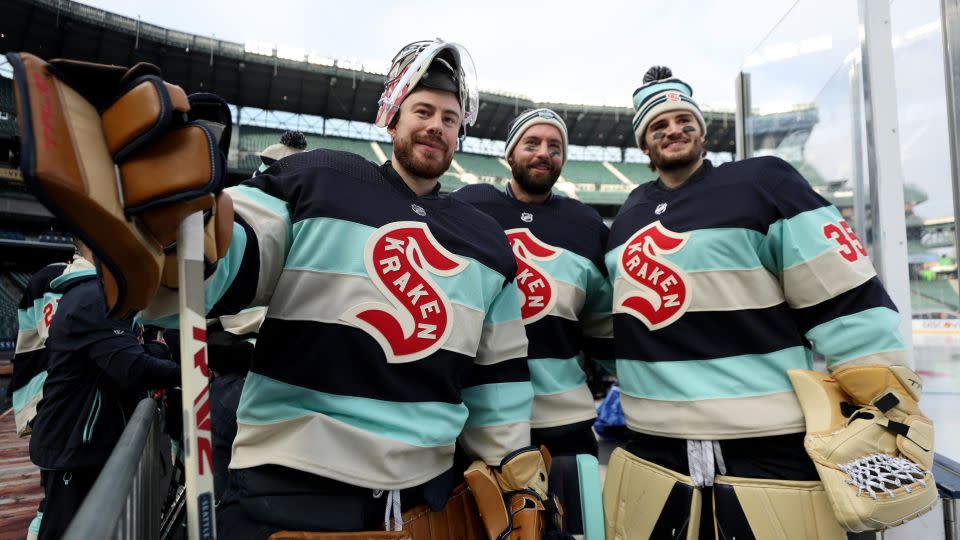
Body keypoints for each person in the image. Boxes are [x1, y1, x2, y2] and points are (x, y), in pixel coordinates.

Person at [130, 39, 560, 538]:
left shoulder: (487, 240)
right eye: (422, 110)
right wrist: (175, 231)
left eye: (449, 117)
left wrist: (519, 486)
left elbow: (498, 388)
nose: (435, 126)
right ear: (392, 117)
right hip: (289, 489)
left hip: (424, 503)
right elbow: (229, 259)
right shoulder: (317, 178)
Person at [602, 66, 923, 539]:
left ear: (703, 131)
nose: (674, 129)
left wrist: (887, 403)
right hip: (655, 444)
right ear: (644, 146)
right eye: (658, 125)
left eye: (684, 120)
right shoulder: (626, 214)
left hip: (764, 442)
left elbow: (844, 293)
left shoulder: (761, 182)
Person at [450, 108, 613, 533]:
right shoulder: (467, 206)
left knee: (572, 530)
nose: (544, 154)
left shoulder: (585, 224)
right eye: (532, 143)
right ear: (509, 154)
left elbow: (602, 326)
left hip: (563, 424)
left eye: (554, 147)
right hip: (476, 424)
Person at [27, 241, 180, 539]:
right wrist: (194, 373)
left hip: (82, 439)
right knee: (68, 529)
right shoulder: (93, 297)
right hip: (75, 443)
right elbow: (132, 368)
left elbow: (124, 352)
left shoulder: (97, 295)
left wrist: (155, 353)